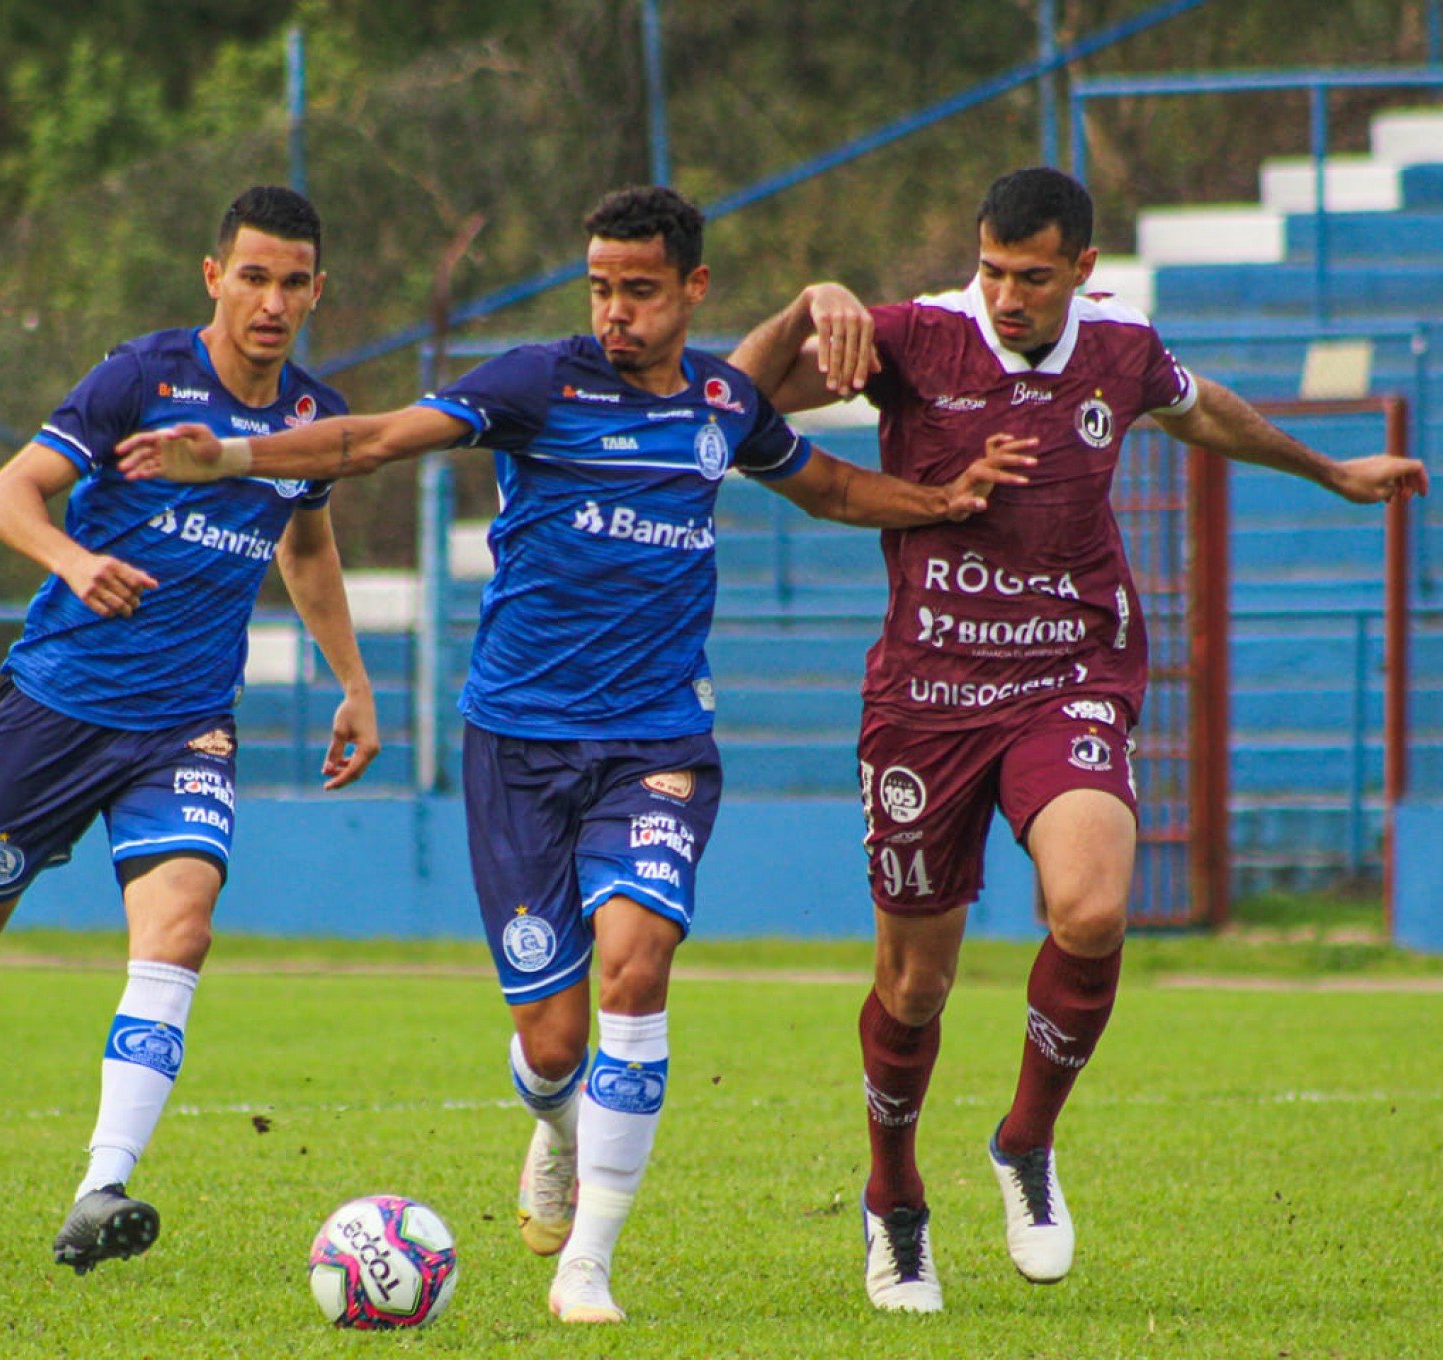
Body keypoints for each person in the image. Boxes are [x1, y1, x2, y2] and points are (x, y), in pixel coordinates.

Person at [116, 185, 1035, 1323]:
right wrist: (236, 456)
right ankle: (556, 1125)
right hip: (516, 747)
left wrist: (943, 501)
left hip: (656, 744)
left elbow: (831, 485)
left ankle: (585, 1263)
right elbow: (371, 438)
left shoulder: (719, 400)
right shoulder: (532, 384)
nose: (616, 313)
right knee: (552, 1044)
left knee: (637, 966)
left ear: (692, 290)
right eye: (601, 288)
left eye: (640, 291)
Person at [729, 166, 1429, 1314]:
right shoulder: (913, 338)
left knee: (1095, 906)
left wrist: (1330, 471)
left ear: (1081, 271)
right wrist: (812, 302)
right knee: (914, 987)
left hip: (1070, 673)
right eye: (994, 270)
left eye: (1033, 277)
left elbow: (1201, 408)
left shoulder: (1120, 347)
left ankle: (1024, 1142)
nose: (1007, 295)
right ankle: (895, 1201)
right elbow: (734, 395)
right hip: (927, 697)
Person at [0, 185, 381, 1274]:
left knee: (181, 931)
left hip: (187, 725)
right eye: (252, 275)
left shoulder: (309, 419)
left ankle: (100, 1185)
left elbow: (307, 552)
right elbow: (6, 494)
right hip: (59, 706)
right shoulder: (139, 378)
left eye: (294, 280)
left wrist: (353, 680)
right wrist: (74, 558)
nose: (272, 300)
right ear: (215, 277)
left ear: (317, 291)